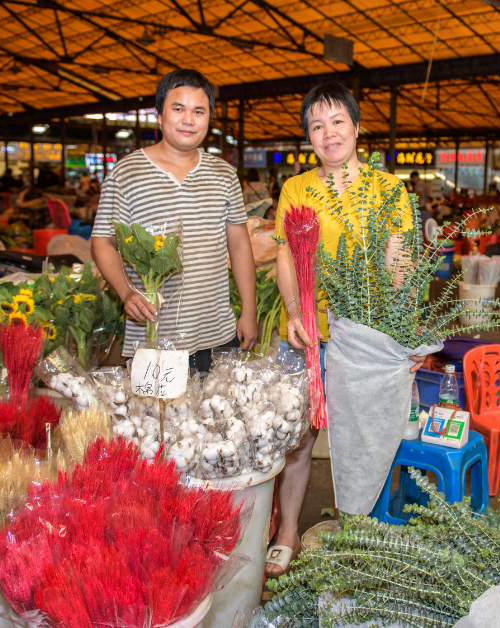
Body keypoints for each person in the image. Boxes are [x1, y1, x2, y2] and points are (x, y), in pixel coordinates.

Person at [266, 83, 416, 577]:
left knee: (364, 439)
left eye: (337, 122)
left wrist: (403, 336)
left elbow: (400, 267)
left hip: (366, 341)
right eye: (316, 125)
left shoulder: (389, 191)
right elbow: (287, 254)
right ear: (309, 136)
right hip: (311, 333)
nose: (328, 133)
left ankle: (360, 534)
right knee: (299, 438)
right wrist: (293, 311)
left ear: (355, 126)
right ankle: (288, 529)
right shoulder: (296, 190)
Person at [91, 69, 258, 371]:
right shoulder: (127, 173)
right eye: (177, 109)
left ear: (209, 118)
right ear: (159, 115)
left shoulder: (224, 174)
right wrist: (126, 291)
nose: (188, 120)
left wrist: (249, 310)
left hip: (217, 331)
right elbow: (103, 241)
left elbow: (240, 247)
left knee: (215, 415)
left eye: (198, 111)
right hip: (154, 334)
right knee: (156, 418)